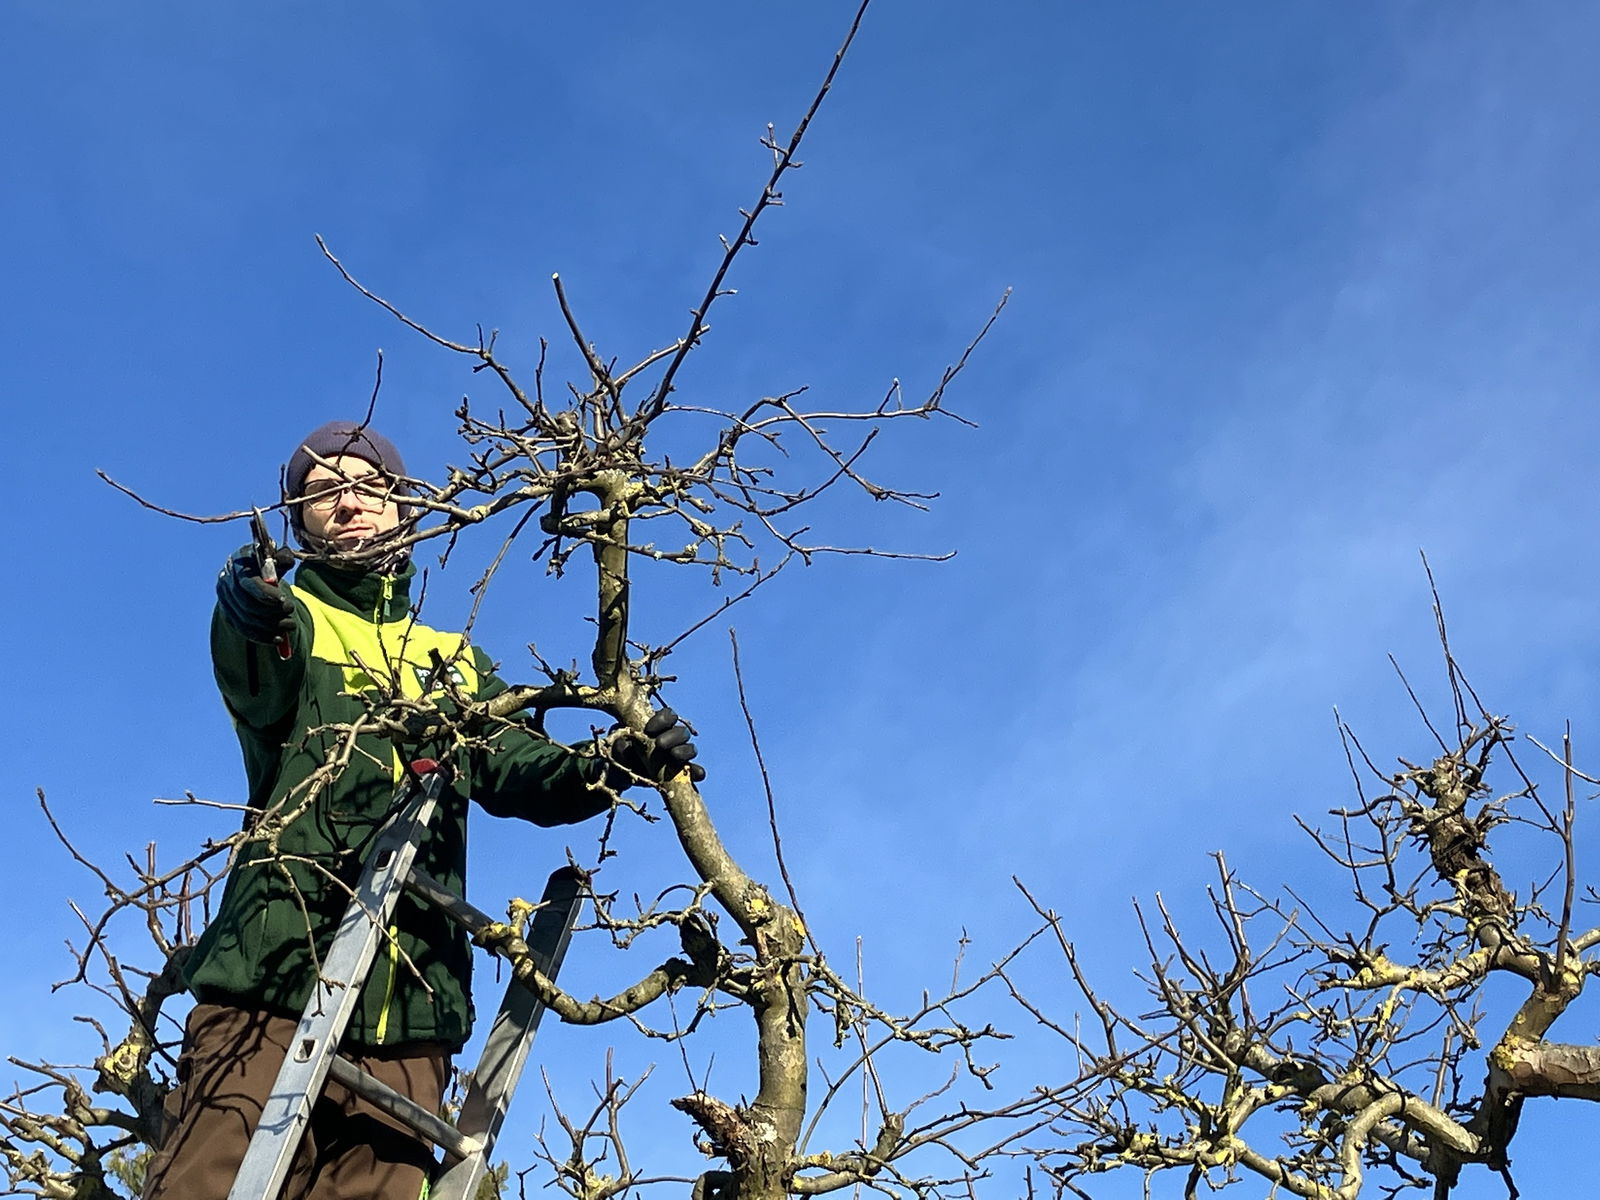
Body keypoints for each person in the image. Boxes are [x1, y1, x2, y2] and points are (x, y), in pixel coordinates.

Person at [144, 420, 697, 1200]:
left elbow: (517, 766)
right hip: (270, 983)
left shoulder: (456, 658)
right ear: (298, 522)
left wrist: (612, 763)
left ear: (405, 509)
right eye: (322, 493)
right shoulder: (296, 624)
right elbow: (257, 677)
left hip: (411, 1013)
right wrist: (249, 607)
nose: (347, 504)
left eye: (368, 487)